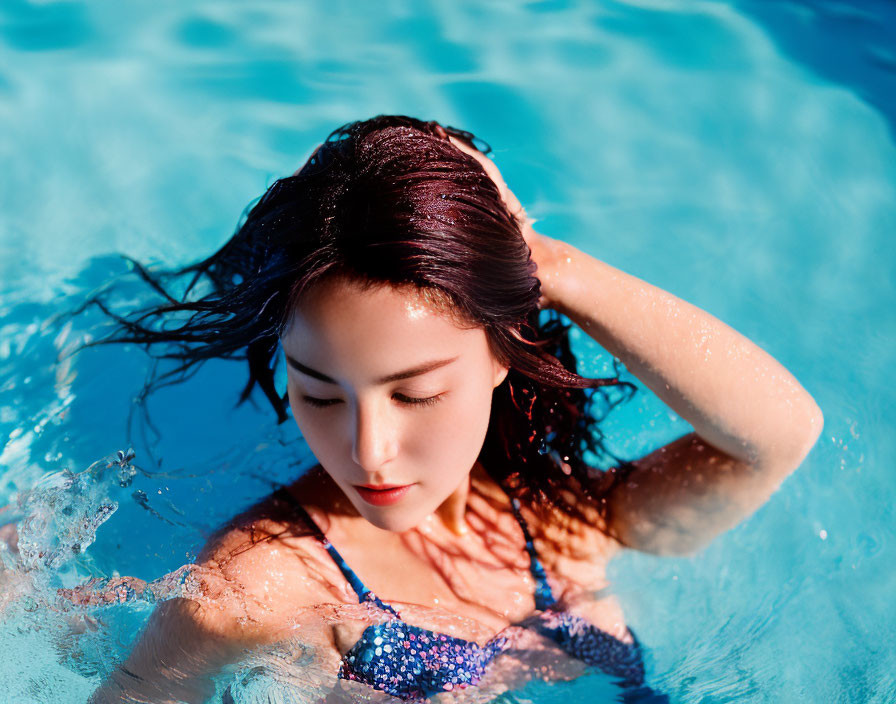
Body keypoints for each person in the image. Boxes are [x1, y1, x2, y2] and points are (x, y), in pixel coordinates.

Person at [84, 115, 823, 702]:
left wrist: (551, 265)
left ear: (503, 354)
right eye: (317, 391)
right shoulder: (270, 585)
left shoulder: (562, 522)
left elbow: (778, 437)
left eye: (415, 393)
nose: (367, 450)